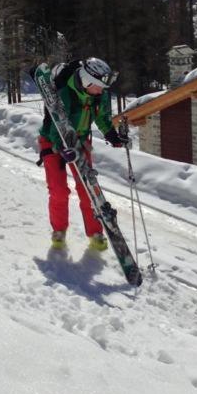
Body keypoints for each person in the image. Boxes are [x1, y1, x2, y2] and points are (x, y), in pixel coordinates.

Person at [38, 57, 128, 251]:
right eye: (98, 86)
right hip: (53, 142)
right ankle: (59, 230)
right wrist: (61, 147)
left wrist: (112, 135)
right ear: (87, 81)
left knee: (88, 190)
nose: (101, 91)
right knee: (59, 190)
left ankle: (95, 232)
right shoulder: (64, 93)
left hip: (80, 142)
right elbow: (55, 123)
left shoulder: (98, 94)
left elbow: (102, 116)